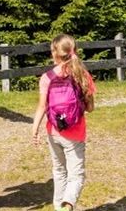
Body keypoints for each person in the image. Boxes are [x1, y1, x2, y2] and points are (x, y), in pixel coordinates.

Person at [31, 34, 96, 211]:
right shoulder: (82, 75)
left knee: (59, 171)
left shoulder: (47, 77)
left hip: (53, 132)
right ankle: (68, 205)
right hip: (75, 134)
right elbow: (90, 108)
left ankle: (58, 207)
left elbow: (42, 106)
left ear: (55, 53)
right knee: (77, 176)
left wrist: (35, 129)